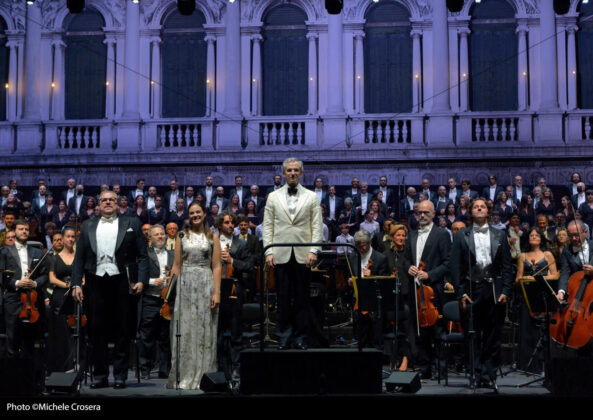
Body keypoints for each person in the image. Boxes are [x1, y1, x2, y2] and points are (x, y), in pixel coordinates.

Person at [71, 190, 148, 389]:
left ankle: (121, 376)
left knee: (123, 328)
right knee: (97, 329)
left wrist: (142, 280)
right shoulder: (88, 225)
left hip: (123, 279)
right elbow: (79, 258)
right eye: (103, 200)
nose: (107, 203)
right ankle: (100, 376)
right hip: (95, 280)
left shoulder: (132, 223)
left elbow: (142, 256)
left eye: (111, 200)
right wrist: (76, 283)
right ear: (98, 204)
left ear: (118, 203)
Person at [450, 197, 513, 389]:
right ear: (471, 211)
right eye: (475, 207)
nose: (479, 209)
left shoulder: (500, 235)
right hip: (471, 289)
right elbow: (455, 267)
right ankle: (475, 373)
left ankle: (488, 375)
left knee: (492, 336)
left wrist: (505, 290)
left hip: (493, 289)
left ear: (488, 211)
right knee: (473, 334)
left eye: (482, 207)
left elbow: (508, 266)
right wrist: (460, 293)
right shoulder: (462, 235)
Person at [263, 157, 323, 350]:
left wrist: (314, 250)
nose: (292, 173)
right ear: (283, 173)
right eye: (289, 170)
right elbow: (268, 226)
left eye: (296, 170)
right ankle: (283, 337)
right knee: (282, 298)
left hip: (304, 254)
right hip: (279, 253)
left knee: (302, 298)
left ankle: (301, 337)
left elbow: (316, 225)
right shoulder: (273, 197)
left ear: (301, 173)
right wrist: (269, 251)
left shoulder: (312, 196)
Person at [167, 201, 221, 389]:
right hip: (185, 285)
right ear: (188, 216)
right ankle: (184, 375)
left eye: (198, 212)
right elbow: (176, 266)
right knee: (186, 327)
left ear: (204, 214)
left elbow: (216, 266)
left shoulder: (213, 236)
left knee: (204, 328)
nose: (195, 215)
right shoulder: (182, 235)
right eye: (192, 213)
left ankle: (203, 376)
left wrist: (217, 292)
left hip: (206, 285)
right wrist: (169, 294)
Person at [402, 200, 451, 379]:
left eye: (426, 213)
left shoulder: (442, 234)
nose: (422, 216)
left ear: (433, 214)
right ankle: (424, 366)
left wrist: (429, 275)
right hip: (414, 290)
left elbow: (447, 263)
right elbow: (406, 259)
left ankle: (440, 366)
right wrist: (409, 267)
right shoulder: (412, 234)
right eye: (419, 213)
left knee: (437, 330)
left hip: (433, 290)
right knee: (419, 330)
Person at [0, 219, 49, 358]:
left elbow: (45, 275)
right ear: (14, 231)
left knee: (30, 340)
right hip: (13, 298)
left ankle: (29, 375)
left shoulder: (38, 253)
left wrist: (34, 283)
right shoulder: (4, 252)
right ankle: (12, 375)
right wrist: (16, 283)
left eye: (26, 229)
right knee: (12, 337)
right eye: (21, 229)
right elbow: (2, 276)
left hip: (32, 299)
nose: (24, 231)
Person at [215, 211, 254, 380]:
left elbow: (249, 265)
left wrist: (232, 261)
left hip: (234, 288)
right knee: (215, 330)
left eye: (232, 222)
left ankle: (236, 366)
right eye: (226, 223)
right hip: (214, 288)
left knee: (235, 329)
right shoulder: (212, 242)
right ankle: (217, 366)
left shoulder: (241, 244)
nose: (231, 225)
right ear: (219, 225)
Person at [514, 227, 557, 373]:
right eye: (531, 235)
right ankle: (528, 366)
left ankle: (546, 364)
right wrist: (524, 278)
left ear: (541, 238)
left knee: (543, 330)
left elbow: (554, 275)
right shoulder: (523, 256)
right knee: (527, 329)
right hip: (527, 295)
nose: (533, 237)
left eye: (536, 235)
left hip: (543, 295)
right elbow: (517, 278)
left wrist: (537, 278)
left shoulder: (548, 254)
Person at [138, 224, 173, 380]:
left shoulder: (172, 255)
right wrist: (152, 281)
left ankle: (165, 370)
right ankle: (145, 369)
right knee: (147, 336)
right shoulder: (144, 254)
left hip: (168, 301)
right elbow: (137, 275)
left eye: (162, 234)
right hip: (150, 300)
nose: (160, 236)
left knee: (166, 337)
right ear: (149, 238)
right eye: (156, 234)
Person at [346, 230, 389, 349]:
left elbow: (385, 282)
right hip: (358, 299)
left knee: (374, 336)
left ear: (370, 242)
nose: (362, 249)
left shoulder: (380, 258)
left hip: (375, 302)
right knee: (361, 333)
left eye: (364, 245)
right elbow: (348, 275)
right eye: (359, 246)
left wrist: (373, 276)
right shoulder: (353, 256)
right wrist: (349, 281)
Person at [383, 224, 413, 371]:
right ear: (392, 237)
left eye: (403, 235)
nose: (401, 238)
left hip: (406, 294)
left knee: (405, 328)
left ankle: (405, 358)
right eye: (398, 235)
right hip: (390, 295)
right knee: (390, 328)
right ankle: (392, 358)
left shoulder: (409, 253)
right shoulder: (386, 254)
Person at [47, 226, 77, 373]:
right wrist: (67, 285)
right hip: (59, 297)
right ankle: (60, 365)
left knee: (77, 331)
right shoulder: (54, 258)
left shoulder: (79, 257)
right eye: (68, 237)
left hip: (76, 296)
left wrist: (76, 286)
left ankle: (75, 362)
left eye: (73, 237)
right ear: (63, 238)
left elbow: (84, 277)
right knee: (59, 332)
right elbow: (52, 278)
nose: (70, 239)